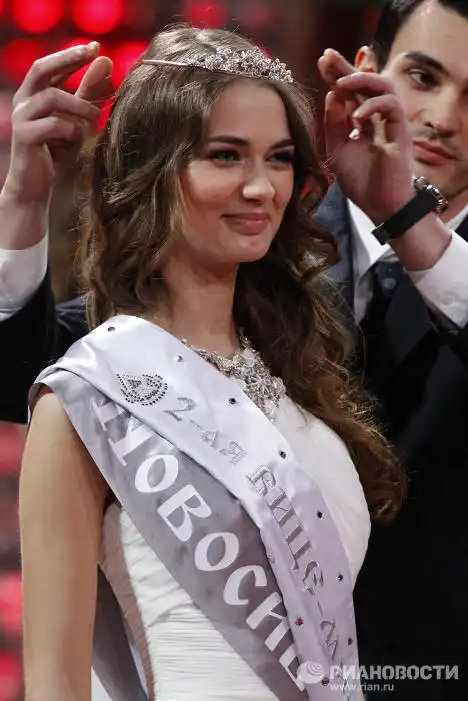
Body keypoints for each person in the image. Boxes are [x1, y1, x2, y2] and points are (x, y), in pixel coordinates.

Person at [18, 25, 408, 701]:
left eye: (279, 158)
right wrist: (20, 202)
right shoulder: (90, 396)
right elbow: (55, 683)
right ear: (152, 172)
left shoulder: (304, 370)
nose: (261, 187)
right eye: (225, 156)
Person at [316, 1, 468, 698]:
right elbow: (29, 364)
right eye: (424, 77)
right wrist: (20, 205)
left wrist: (406, 217)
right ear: (366, 71)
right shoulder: (258, 236)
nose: (443, 117)